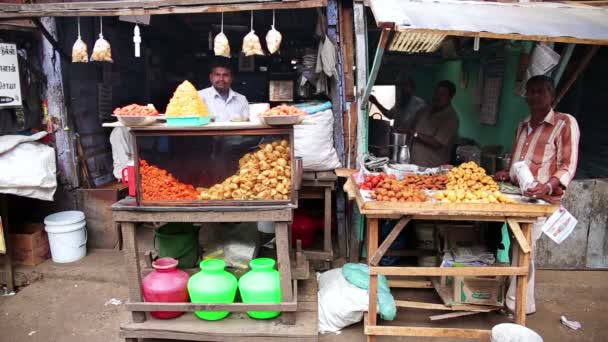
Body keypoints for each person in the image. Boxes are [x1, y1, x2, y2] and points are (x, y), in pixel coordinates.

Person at [494, 75, 580, 315]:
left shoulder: (564, 123)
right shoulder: (523, 124)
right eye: (530, 92)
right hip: (518, 197)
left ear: (552, 96)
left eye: (540, 91)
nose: (533, 96)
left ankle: (518, 304)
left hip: (541, 200)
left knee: (524, 249)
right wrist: (508, 173)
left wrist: (548, 186)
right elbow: (520, 164)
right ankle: (516, 299)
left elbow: (567, 165)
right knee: (516, 247)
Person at [406, 80, 459, 167]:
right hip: (414, 163)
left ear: (451, 97)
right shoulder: (424, 110)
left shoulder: (451, 118)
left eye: (442, 94)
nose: (438, 96)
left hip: (433, 168)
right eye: (437, 92)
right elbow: (412, 126)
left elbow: (437, 143)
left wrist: (414, 133)